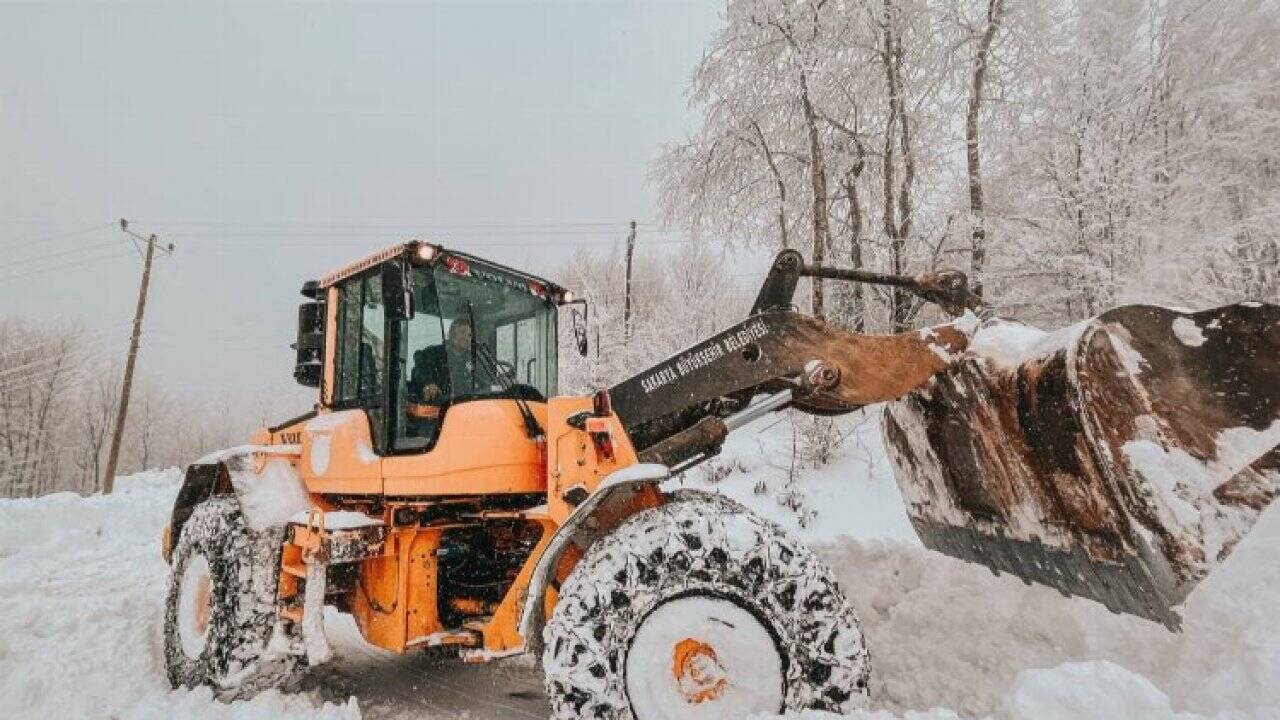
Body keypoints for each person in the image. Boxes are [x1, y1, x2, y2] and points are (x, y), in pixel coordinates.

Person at [405, 318, 486, 422]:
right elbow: (420, 367)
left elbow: (484, 380)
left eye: (469, 335)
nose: (466, 337)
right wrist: (428, 383)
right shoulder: (434, 353)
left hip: (467, 409)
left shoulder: (475, 359)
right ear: (452, 335)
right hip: (439, 411)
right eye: (462, 332)